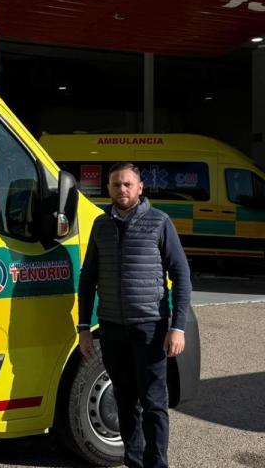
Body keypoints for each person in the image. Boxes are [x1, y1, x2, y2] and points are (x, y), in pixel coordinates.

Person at [77, 162, 192, 468]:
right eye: (116, 185)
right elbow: (88, 277)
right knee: (125, 401)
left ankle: (157, 465)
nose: (122, 190)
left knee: (154, 404)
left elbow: (181, 275)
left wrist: (177, 327)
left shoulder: (159, 222)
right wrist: (84, 327)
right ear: (109, 189)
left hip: (150, 328)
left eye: (128, 184)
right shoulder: (101, 225)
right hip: (113, 329)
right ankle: (135, 462)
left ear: (140, 188)